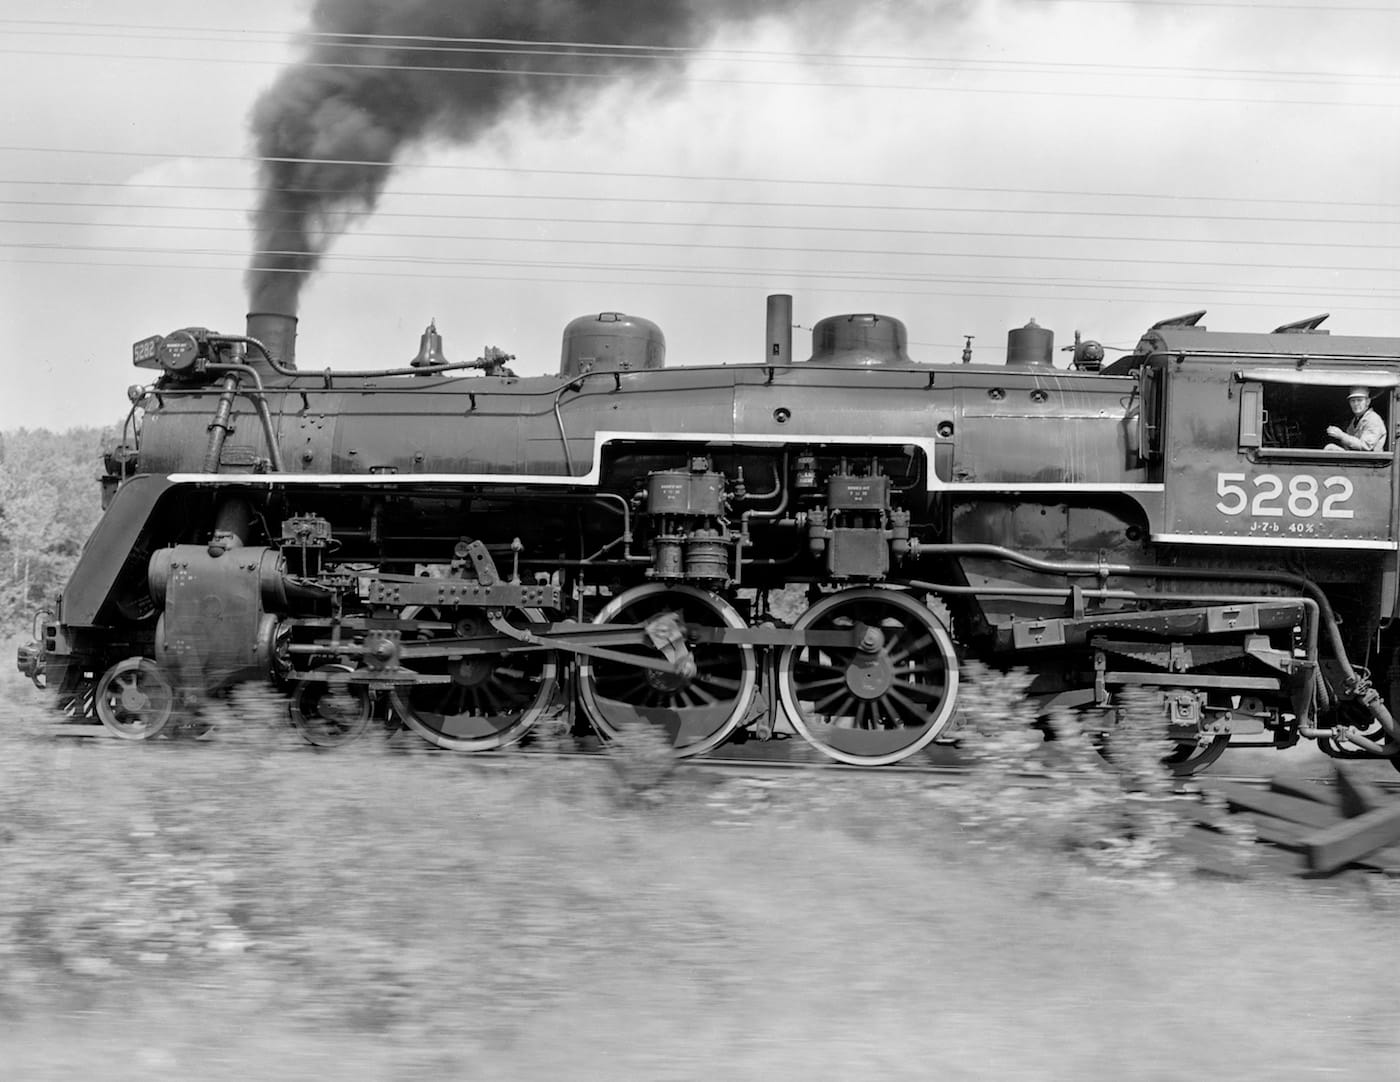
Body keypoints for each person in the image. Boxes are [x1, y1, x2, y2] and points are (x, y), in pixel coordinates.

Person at [1325, 387, 1387, 452]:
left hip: (1370, 460)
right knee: (1330, 448)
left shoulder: (1373, 419)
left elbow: (1366, 446)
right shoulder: (1355, 420)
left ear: (1368, 402)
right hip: (1357, 459)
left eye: (1359, 400)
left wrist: (1341, 435)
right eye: (1353, 401)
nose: (1356, 404)